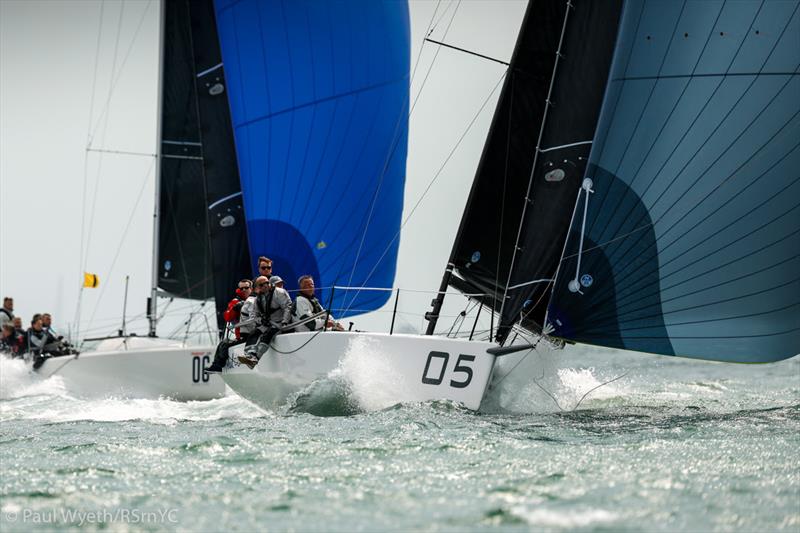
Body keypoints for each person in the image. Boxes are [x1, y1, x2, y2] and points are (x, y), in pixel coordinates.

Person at [238, 275, 292, 369]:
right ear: (258, 287)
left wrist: (284, 322)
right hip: (266, 323)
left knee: (267, 335)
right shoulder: (258, 299)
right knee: (254, 333)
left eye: (267, 283)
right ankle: (249, 355)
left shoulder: (279, 292)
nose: (265, 285)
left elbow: (288, 307)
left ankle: (256, 358)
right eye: (262, 284)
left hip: (278, 323)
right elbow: (254, 314)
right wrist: (260, 320)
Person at [204, 279, 252, 373]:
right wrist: (235, 307)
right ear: (238, 290)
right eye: (241, 288)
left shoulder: (256, 299)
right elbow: (228, 317)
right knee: (223, 344)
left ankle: (217, 366)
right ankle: (217, 365)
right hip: (242, 335)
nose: (244, 290)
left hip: (253, 334)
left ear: (251, 288)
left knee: (225, 345)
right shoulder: (236, 301)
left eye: (246, 288)